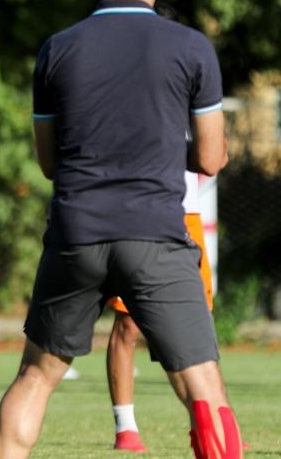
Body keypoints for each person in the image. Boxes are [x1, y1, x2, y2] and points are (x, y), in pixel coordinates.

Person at [0, 0, 243, 459]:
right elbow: (208, 158)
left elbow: (48, 163)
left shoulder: (57, 49)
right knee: (205, 388)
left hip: (76, 231)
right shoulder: (192, 47)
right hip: (155, 233)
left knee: (36, 377)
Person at [106, 171, 214, 453]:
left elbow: (214, 158)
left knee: (198, 325)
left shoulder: (196, 122)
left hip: (186, 212)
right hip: (139, 211)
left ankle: (207, 426)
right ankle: (125, 428)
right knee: (128, 323)